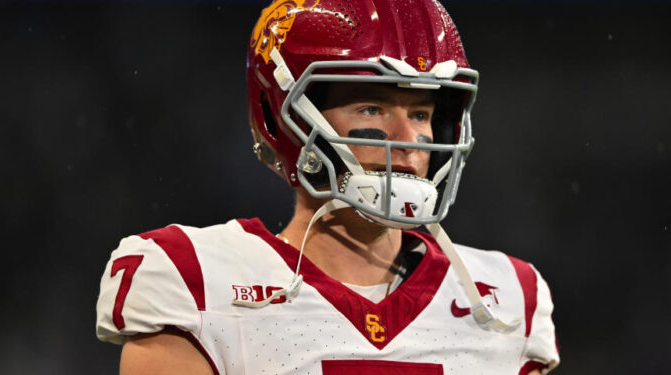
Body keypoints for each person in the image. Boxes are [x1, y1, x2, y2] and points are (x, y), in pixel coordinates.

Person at [95, 0, 560, 374]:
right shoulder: (195, 287)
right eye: (372, 109)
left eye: (420, 113)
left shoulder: (505, 301)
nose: (408, 140)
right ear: (288, 121)